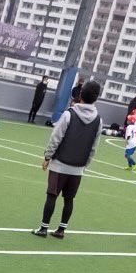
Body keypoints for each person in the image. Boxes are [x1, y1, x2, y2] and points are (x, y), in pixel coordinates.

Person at [33, 78, 102, 240]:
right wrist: (85, 165)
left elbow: (55, 138)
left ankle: (44, 228)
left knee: (52, 195)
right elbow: (94, 147)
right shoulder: (99, 120)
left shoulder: (68, 114)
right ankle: (61, 230)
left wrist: (47, 157)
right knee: (69, 199)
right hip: (78, 167)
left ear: (81, 95)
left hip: (60, 164)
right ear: (96, 98)